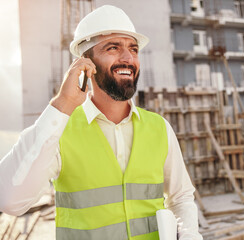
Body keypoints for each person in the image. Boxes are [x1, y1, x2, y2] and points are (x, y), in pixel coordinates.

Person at [0, 5, 203, 240]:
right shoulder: (60, 129)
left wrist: (189, 235)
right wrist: (63, 103)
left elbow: (181, 198)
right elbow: (9, 199)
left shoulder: (159, 128)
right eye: (113, 48)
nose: (128, 58)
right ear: (86, 62)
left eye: (133, 49)